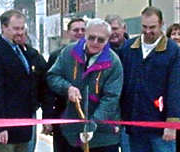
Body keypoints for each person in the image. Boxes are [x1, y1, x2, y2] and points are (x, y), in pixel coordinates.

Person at [47, 18, 123, 152]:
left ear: (107, 39)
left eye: (101, 40)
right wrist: (67, 88)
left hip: (103, 135)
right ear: (86, 35)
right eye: (91, 37)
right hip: (71, 131)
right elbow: (53, 76)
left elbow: (111, 97)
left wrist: (92, 124)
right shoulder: (68, 52)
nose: (95, 42)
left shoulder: (114, 62)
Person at [120, 6, 180, 152]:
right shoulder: (128, 48)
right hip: (134, 125)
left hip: (160, 128)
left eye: (152, 27)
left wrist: (172, 122)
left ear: (161, 24)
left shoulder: (173, 51)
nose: (148, 31)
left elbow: (177, 87)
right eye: (144, 27)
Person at [0, 9, 37, 152]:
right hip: (3, 132)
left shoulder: (22, 51)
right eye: (16, 28)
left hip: (22, 128)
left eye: (22, 28)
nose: (20, 32)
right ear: (4, 27)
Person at [43, 18, 86, 152]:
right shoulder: (57, 56)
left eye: (83, 30)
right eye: (76, 30)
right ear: (68, 33)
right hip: (61, 114)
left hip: (86, 114)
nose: (79, 33)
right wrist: (48, 118)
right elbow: (48, 89)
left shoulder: (93, 55)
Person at [15, 31, 48, 152]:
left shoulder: (35, 57)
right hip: (5, 115)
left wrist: (47, 117)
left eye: (23, 33)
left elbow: (45, 88)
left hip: (29, 112)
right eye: (17, 31)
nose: (20, 35)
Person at [105, 14, 130, 152]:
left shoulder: (135, 51)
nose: (112, 33)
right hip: (108, 116)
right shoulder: (100, 53)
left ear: (124, 28)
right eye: (109, 29)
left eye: (115, 28)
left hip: (129, 115)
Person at [166, 23, 180, 152]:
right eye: (173, 34)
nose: (176, 37)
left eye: (179, 34)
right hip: (169, 111)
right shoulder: (166, 57)